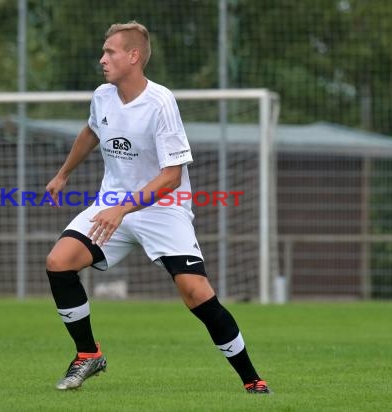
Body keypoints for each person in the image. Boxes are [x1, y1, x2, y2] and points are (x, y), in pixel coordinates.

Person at [45, 21, 270, 394]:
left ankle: (253, 380)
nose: (102, 59)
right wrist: (63, 174)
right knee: (59, 261)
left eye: (110, 52)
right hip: (113, 204)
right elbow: (91, 131)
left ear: (133, 56)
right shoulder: (103, 95)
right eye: (103, 52)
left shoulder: (161, 102)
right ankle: (88, 355)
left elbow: (170, 177)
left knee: (196, 292)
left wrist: (123, 210)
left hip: (164, 208)